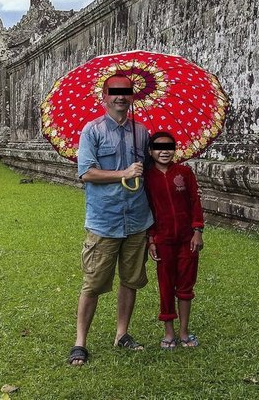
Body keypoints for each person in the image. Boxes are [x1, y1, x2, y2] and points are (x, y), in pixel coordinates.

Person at [68, 74, 153, 366]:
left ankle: (122, 334)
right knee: (93, 283)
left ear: (132, 97)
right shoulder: (92, 131)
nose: (121, 97)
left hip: (137, 220)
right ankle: (80, 342)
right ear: (104, 97)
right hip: (104, 220)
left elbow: (150, 175)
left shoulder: (141, 132)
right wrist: (123, 174)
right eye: (114, 92)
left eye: (126, 92)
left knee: (130, 281)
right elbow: (86, 173)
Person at [145, 131, 204, 349]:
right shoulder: (146, 178)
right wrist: (151, 239)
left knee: (186, 285)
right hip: (162, 239)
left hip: (187, 238)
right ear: (150, 151)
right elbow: (147, 209)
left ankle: (184, 331)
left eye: (169, 147)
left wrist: (197, 230)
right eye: (158, 147)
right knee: (166, 285)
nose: (164, 151)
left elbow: (194, 202)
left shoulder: (184, 172)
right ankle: (169, 332)